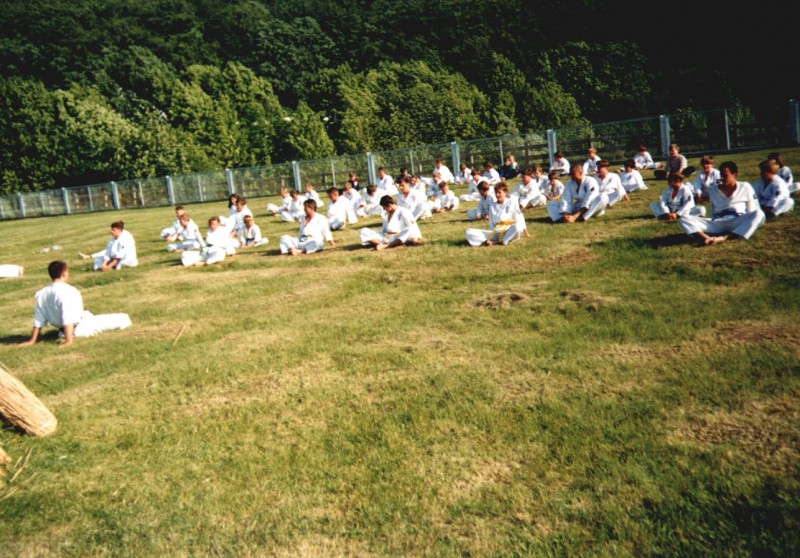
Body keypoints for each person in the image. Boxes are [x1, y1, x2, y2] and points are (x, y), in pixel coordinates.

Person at [18, 261, 131, 346]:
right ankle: (70, 336)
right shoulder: (68, 291)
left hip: (63, 330)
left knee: (88, 314)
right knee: (124, 318)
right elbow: (67, 316)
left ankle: (69, 334)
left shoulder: (42, 293)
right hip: (80, 328)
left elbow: (39, 318)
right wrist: (69, 340)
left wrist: (32, 340)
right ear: (64, 273)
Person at [678, 161, 765, 245]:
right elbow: (713, 211)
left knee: (759, 214)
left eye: (725, 175)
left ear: (734, 174)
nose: (722, 178)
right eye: (721, 175)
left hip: (737, 220)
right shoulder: (713, 190)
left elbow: (752, 209)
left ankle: (725, 237)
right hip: (718, 222)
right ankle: (706, 238)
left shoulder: (745, 186)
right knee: (684, 218)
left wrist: (747, 222)